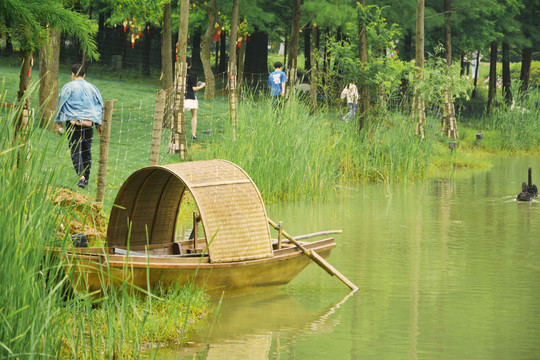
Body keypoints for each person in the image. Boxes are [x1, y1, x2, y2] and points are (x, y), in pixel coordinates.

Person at [55, 64, 103, 189]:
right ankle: (85, 179)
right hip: (88, 124)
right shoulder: (93, 89)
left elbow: (61, 104)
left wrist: (58, 122)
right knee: (87, 151)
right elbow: (99, 106)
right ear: (84, 75)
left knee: (75, 150)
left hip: (74, 124)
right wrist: (99, 124)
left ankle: (81, 178)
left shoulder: (68, 87)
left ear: (72, 74)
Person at [185, 56, 206, 140]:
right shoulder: (193, 74)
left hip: (181, 96)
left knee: (180, 115)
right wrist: (202, 86)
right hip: (191, 97)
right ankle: (193, 134)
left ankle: (179, 131)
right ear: (190, 64)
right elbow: (193, 88)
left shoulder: (179, 73)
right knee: (194, 115)